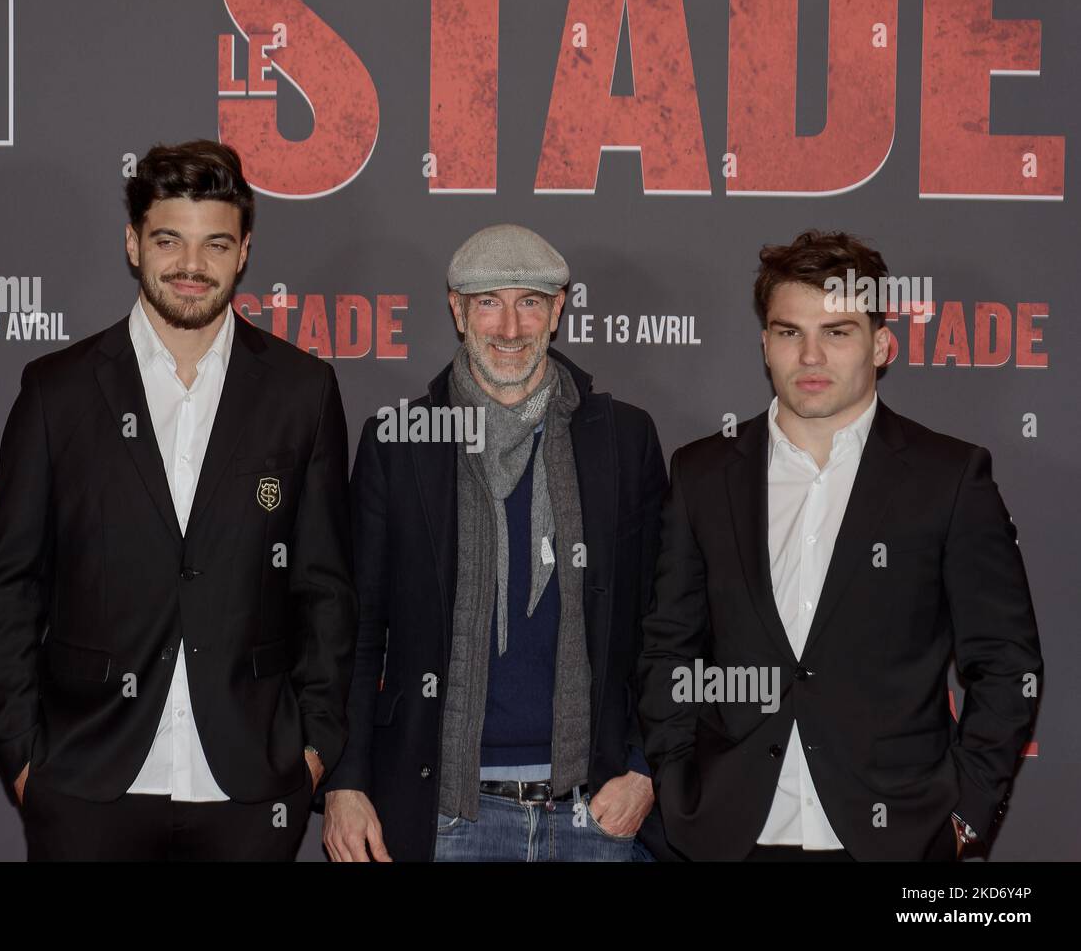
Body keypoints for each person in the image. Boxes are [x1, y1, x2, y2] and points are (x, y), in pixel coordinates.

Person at [0, 139, 357, 860]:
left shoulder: (301, 391)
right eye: (168, 241)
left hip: (249, 786)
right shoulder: (57, 391)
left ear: (244, 251)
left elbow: (325, 586)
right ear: (133, 243)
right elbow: (13, 585)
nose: (191, 266)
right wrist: (25, 760)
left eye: (215, 243)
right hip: (87, 781)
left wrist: (311, 749)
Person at [637, 230, 1042, 861]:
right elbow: (668, 647)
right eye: (789, 331)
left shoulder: (948, 477)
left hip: (896, 840)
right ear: (765, 343)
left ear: (881, 344)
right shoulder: (701, 473)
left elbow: (1007, 662)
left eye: (838, 331)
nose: (811, 356)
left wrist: (963, 816)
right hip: (729, 835)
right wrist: (676, 780)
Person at [322, 224, 667, 861]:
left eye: (529, 302)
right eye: (488, 302)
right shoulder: (400, 443)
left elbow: (662, 625)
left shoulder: (624, 440)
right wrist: (347, 782)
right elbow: (356, 632)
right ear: (456, 310)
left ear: (559, 309)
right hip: (447, 815)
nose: (509, 328)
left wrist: (645, 770)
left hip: (594, 815)